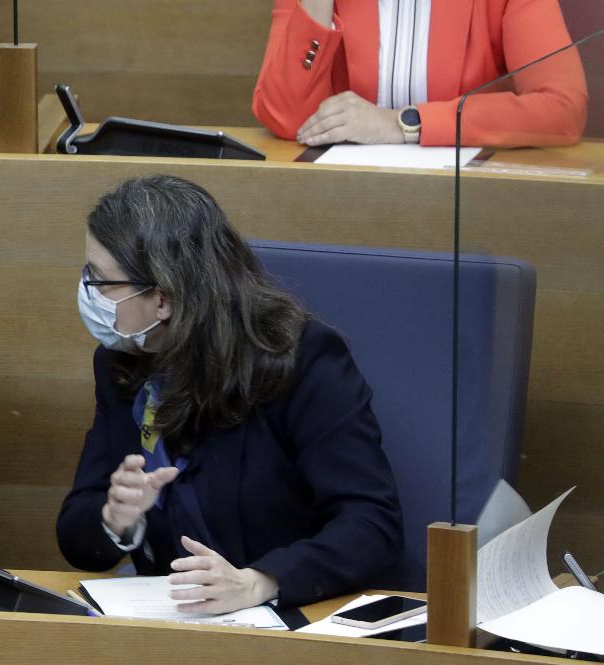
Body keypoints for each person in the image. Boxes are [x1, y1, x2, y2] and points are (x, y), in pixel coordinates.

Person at [57, 175, 403, 612]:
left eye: (102, 282)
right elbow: (76, 535)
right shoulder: (121, 364)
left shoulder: (299, 359)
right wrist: (116, 519)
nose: (88, 291)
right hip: (171, 619)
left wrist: (261, 582)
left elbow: (373, 524)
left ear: (162, 299)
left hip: (287, 620)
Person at [252, 0, 587, 148]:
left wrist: (402, 124)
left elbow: (561, 108)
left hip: (465, 199)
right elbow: (286, 117)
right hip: (344, 195)